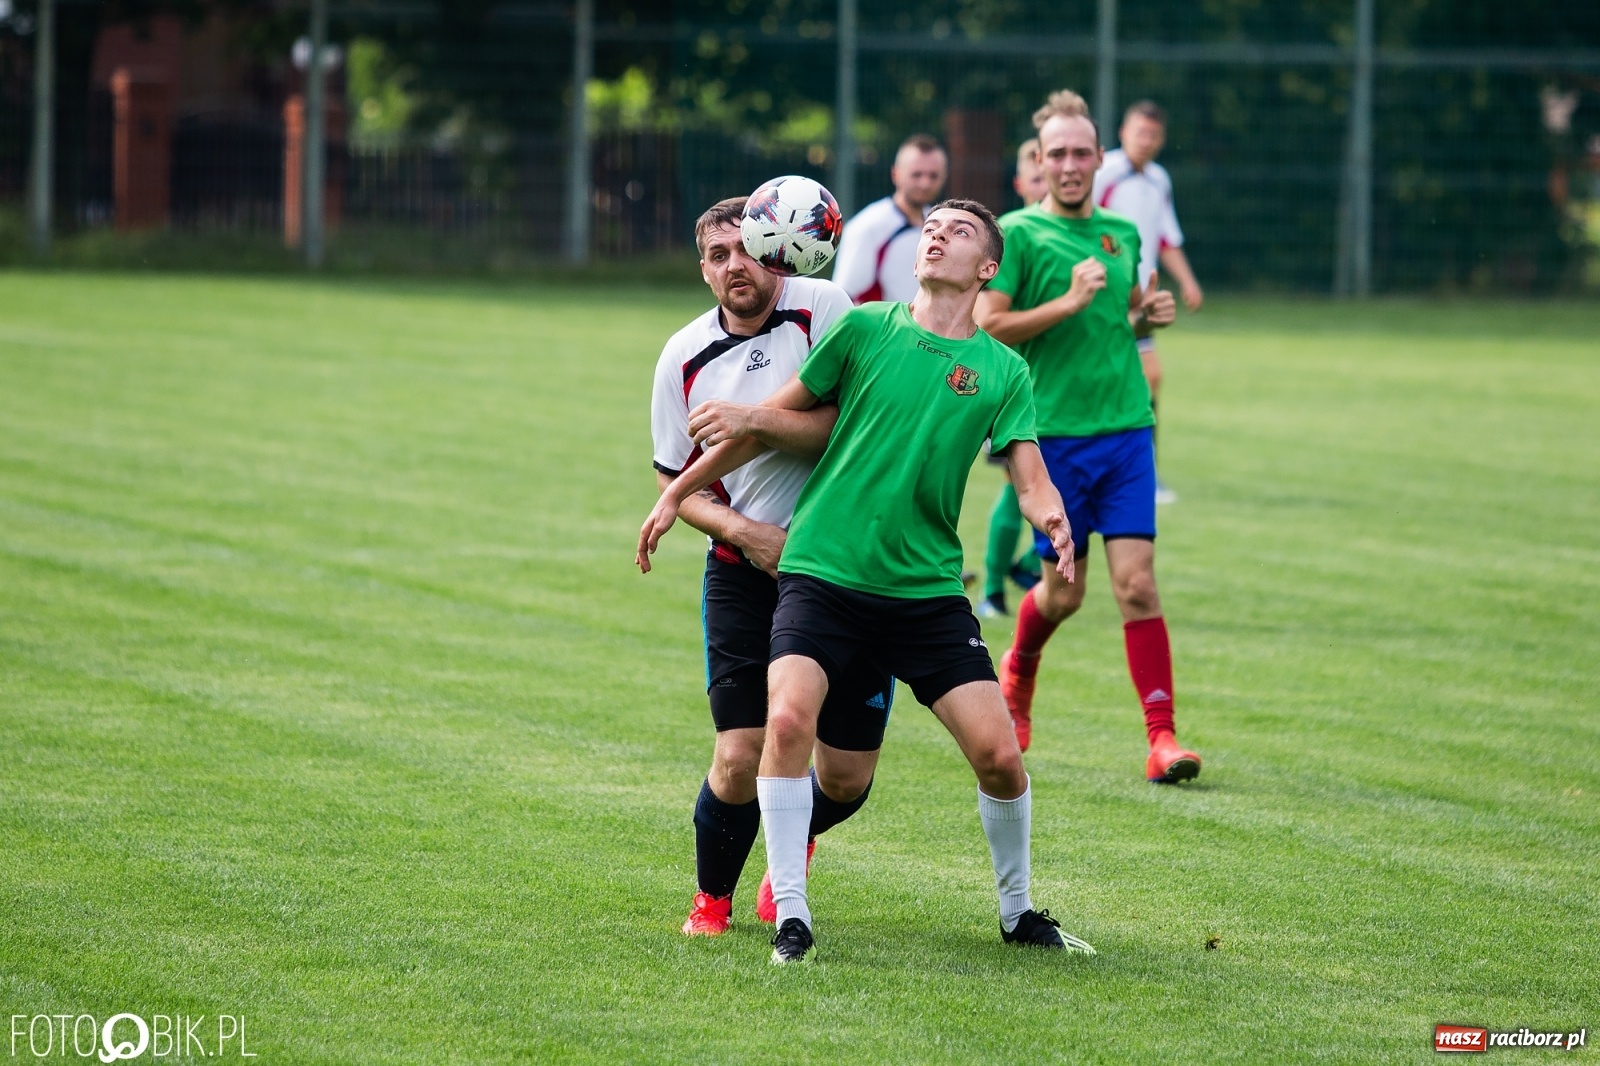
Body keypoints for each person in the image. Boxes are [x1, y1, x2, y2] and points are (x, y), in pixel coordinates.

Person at [639, 199, 1097, 964]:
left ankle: (1019, 915)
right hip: (823, 572)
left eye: (957, 231)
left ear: (987, 268)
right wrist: (672, 494)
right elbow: (759, 422)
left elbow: (1030, 475)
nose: (936, 235)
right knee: (781, 725)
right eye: (931, 228)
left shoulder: (1003, 370)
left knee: (994, 756)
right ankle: (792, 916)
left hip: (922, 590)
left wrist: (1052, 519)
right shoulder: (864, 328)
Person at [652, 198, 892, 938]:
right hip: (740, 568)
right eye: (717, 256)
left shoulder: (823, 308)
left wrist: (756, 421)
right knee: (739, 751)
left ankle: (796, 837)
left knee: (847, 776)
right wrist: (746, 532)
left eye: (745, 249)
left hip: (843, 567)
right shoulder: (682, 357)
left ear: (776, 248)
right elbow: (678, 487)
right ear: (703, 270)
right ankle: (711, 903)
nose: (734, 267)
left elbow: (852, 425)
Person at [975, 89, 1203, 784]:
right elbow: (988, 322)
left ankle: (1161, 740)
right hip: (1054, 441)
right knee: (1065, 595)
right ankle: (1019, 669)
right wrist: (1068, 301)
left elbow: (1124, 317)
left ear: (1099, 159)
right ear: (1039, 163)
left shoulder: (1123, 232)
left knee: (1137, 586)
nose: (1070, 165)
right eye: (1057, 154)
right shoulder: (1016, 233)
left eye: (1081, 153)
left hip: (1128, 430)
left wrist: (1148, 312)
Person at [1092, 100, 1204, 505]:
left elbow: (1165, 237)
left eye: (1153, 135)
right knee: (1107, 380)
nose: (1146, 141)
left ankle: (1143, 472)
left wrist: (1188, 281)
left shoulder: (1159, 179)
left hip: (1140, 301)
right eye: (1140, 132)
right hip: (1102, 297)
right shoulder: (1104, 173)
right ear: (1123, 132)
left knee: (1147, 377)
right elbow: (1086, 227)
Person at [978, 138, 1050, 618]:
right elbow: (990, 319)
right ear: (1021, 183)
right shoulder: (1007, 243)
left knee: (1039, 486)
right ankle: (994, 588)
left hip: (1059, 389)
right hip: (1009, 384)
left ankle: (1022, 567)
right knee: (1014, 482)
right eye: (1037, 176)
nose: (1047, 184)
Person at [831, 134, 948, 305]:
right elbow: (843, 297)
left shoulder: (943, 226)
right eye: (917, 175)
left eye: (933, 176)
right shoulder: (868, 226)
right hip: (883, 331)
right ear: (896, 174)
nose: (925, 184)